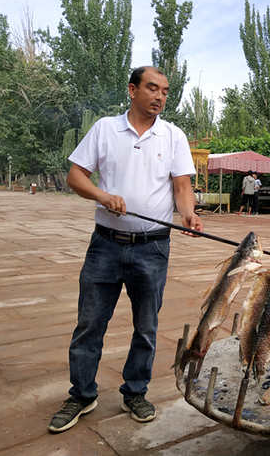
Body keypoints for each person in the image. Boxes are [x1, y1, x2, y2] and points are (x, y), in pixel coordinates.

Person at [48, 66, 203, 433]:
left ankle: (135, 391)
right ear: (132, 90)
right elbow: (75, 176)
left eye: (165, 91)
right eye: (152, 88)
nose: (160, 96)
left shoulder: (173, 136)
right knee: (89, 323)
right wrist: (103, 195)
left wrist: (188, 213)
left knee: (146, 327)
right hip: (105, 245)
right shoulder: (105, 129)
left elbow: (182, 187)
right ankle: (82, 395)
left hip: (152, 248)